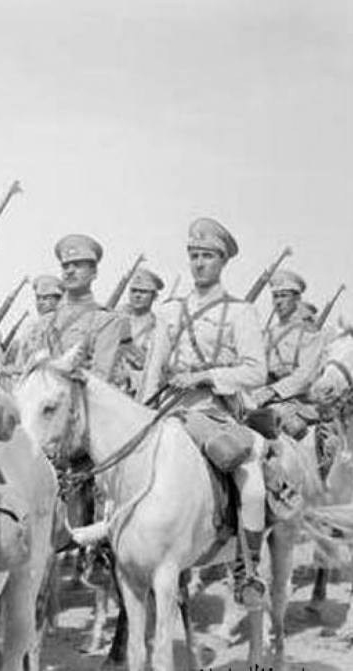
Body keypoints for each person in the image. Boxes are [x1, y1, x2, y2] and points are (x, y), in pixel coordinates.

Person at [140, 217, 268, 604]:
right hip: (168, 412)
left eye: (207, 256)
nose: (199, 264)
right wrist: (145, 413)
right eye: (194, 256)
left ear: (222, 262)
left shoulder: (241, 312)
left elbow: (256, 370)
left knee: (253, 484)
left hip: (215, 415)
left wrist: (206, 377)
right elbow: (152, 368)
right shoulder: (169, 312)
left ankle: (247, 571)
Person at [20, 235, 129, 385]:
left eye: (77, 265)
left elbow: (100, 379)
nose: (70, 271)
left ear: (94, 272)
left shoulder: (106, 321)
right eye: (65, 266)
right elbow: (30, 370)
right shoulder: (46, 322)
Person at [250, 270, 326, 443]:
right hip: (261, 398)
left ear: (297, 299)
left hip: (295, 402)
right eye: (275, 297)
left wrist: (272, 391)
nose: (278, 302)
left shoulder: (309, 333)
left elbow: (306, 376)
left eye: (283, 296)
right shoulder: (268, 334)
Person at [119, 267, 165, 396]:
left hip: (134, 394)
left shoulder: (158, 328)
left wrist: (129, 377)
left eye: (143, 292)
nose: (137, 296)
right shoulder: (116, 319)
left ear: (154, 296)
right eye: (134, 291)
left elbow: (158, 374)